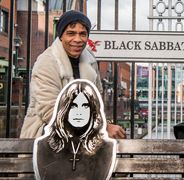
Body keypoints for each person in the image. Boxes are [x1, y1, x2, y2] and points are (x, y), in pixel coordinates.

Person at [20, 10, 126, 139]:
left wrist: (102, 125)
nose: (77, 39)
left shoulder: (90, 59)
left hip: (81, 135)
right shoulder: (47, 62)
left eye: (83, 34)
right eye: (71, 33)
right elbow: (51, 112)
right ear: (61, 36)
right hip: (45, 135)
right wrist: (101, 128)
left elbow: (96, 103)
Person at [33, 79, 117, 180]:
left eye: (85, 106)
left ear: (93, 111)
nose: (79, 112)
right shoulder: (43, 145)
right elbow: (45, 105)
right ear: (65, 109)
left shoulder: (106, 147)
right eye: (73, 106)